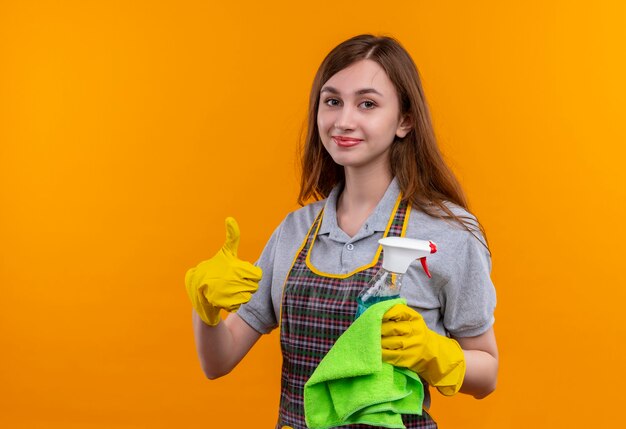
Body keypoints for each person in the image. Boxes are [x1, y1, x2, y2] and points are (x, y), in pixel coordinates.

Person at [185, 34, 498, 428]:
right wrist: (205, 311)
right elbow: (218, 361)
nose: (344, 121)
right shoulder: (295, 230)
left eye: (367, 104)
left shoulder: (448, 232)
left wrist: (435, 353)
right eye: (332, 101)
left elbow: (487, 373)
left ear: (405, 120)